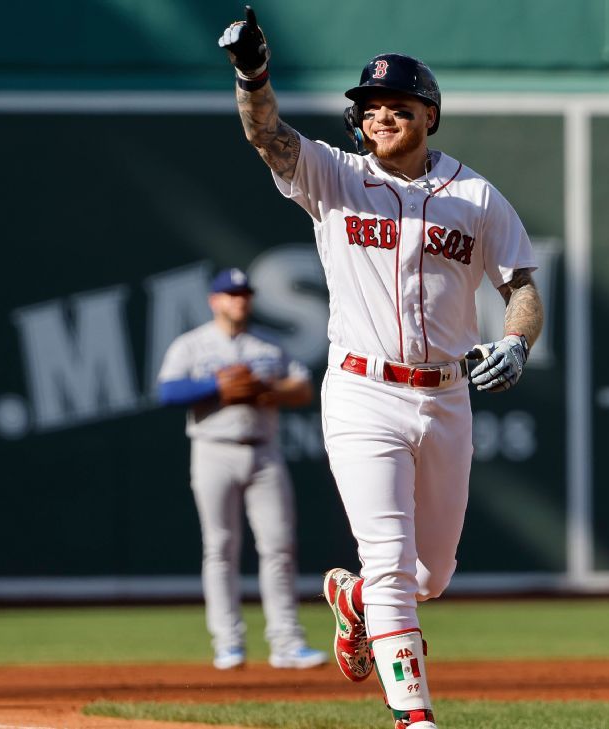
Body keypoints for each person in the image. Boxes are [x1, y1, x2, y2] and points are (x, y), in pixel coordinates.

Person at [218, 8, 545, 728]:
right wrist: (253, 75)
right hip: (363, 390)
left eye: (400, 105)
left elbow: (521, 286)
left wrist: (517, 341)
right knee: (392, 562)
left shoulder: (475, 196)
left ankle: (354, 596)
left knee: (432, 574)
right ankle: (413, 717)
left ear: (430, 115)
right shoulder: (335, 176)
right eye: (370, 108)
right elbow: (266, 136)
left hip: (447, 396)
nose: (383, 116)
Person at [156, 266, 328, 672]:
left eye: (244, 295)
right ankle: (228, 642)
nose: (240, 301)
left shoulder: (267, 344)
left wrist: (268, 389)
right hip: (213, 449)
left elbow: (303, 388)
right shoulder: (192, 344)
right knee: (219, 548)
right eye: (232, 295)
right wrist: (216, 386)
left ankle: (287, 642)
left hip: (264, 452)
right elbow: (168, 391)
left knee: (279, 547)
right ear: (214, 301)